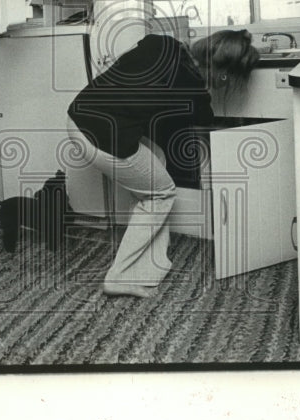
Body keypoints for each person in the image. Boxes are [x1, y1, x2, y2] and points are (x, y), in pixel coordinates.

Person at [66, 29, 260, 297]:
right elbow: (205, 116)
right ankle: (119, 277)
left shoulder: (162, 42)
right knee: (161, 192)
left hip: (78, 116)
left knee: (156, 159)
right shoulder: (193, 87)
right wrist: (212, 81)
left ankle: (150, 261)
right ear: (224, 71)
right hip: (100, 137)